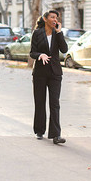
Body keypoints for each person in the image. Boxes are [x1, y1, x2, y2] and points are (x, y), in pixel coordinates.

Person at [30, 10, 68, 144]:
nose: (55, 20)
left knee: (55, 103)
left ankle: (56, 135)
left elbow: (64, 50)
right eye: (52, 17)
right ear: (45, 19)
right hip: (40, 73)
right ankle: (39, 130)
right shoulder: (37, 33)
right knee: (40, 102)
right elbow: (32, 52)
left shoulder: (57, 33)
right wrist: (40, 55)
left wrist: (59, 33)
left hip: (55, 73)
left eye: (56, 18)